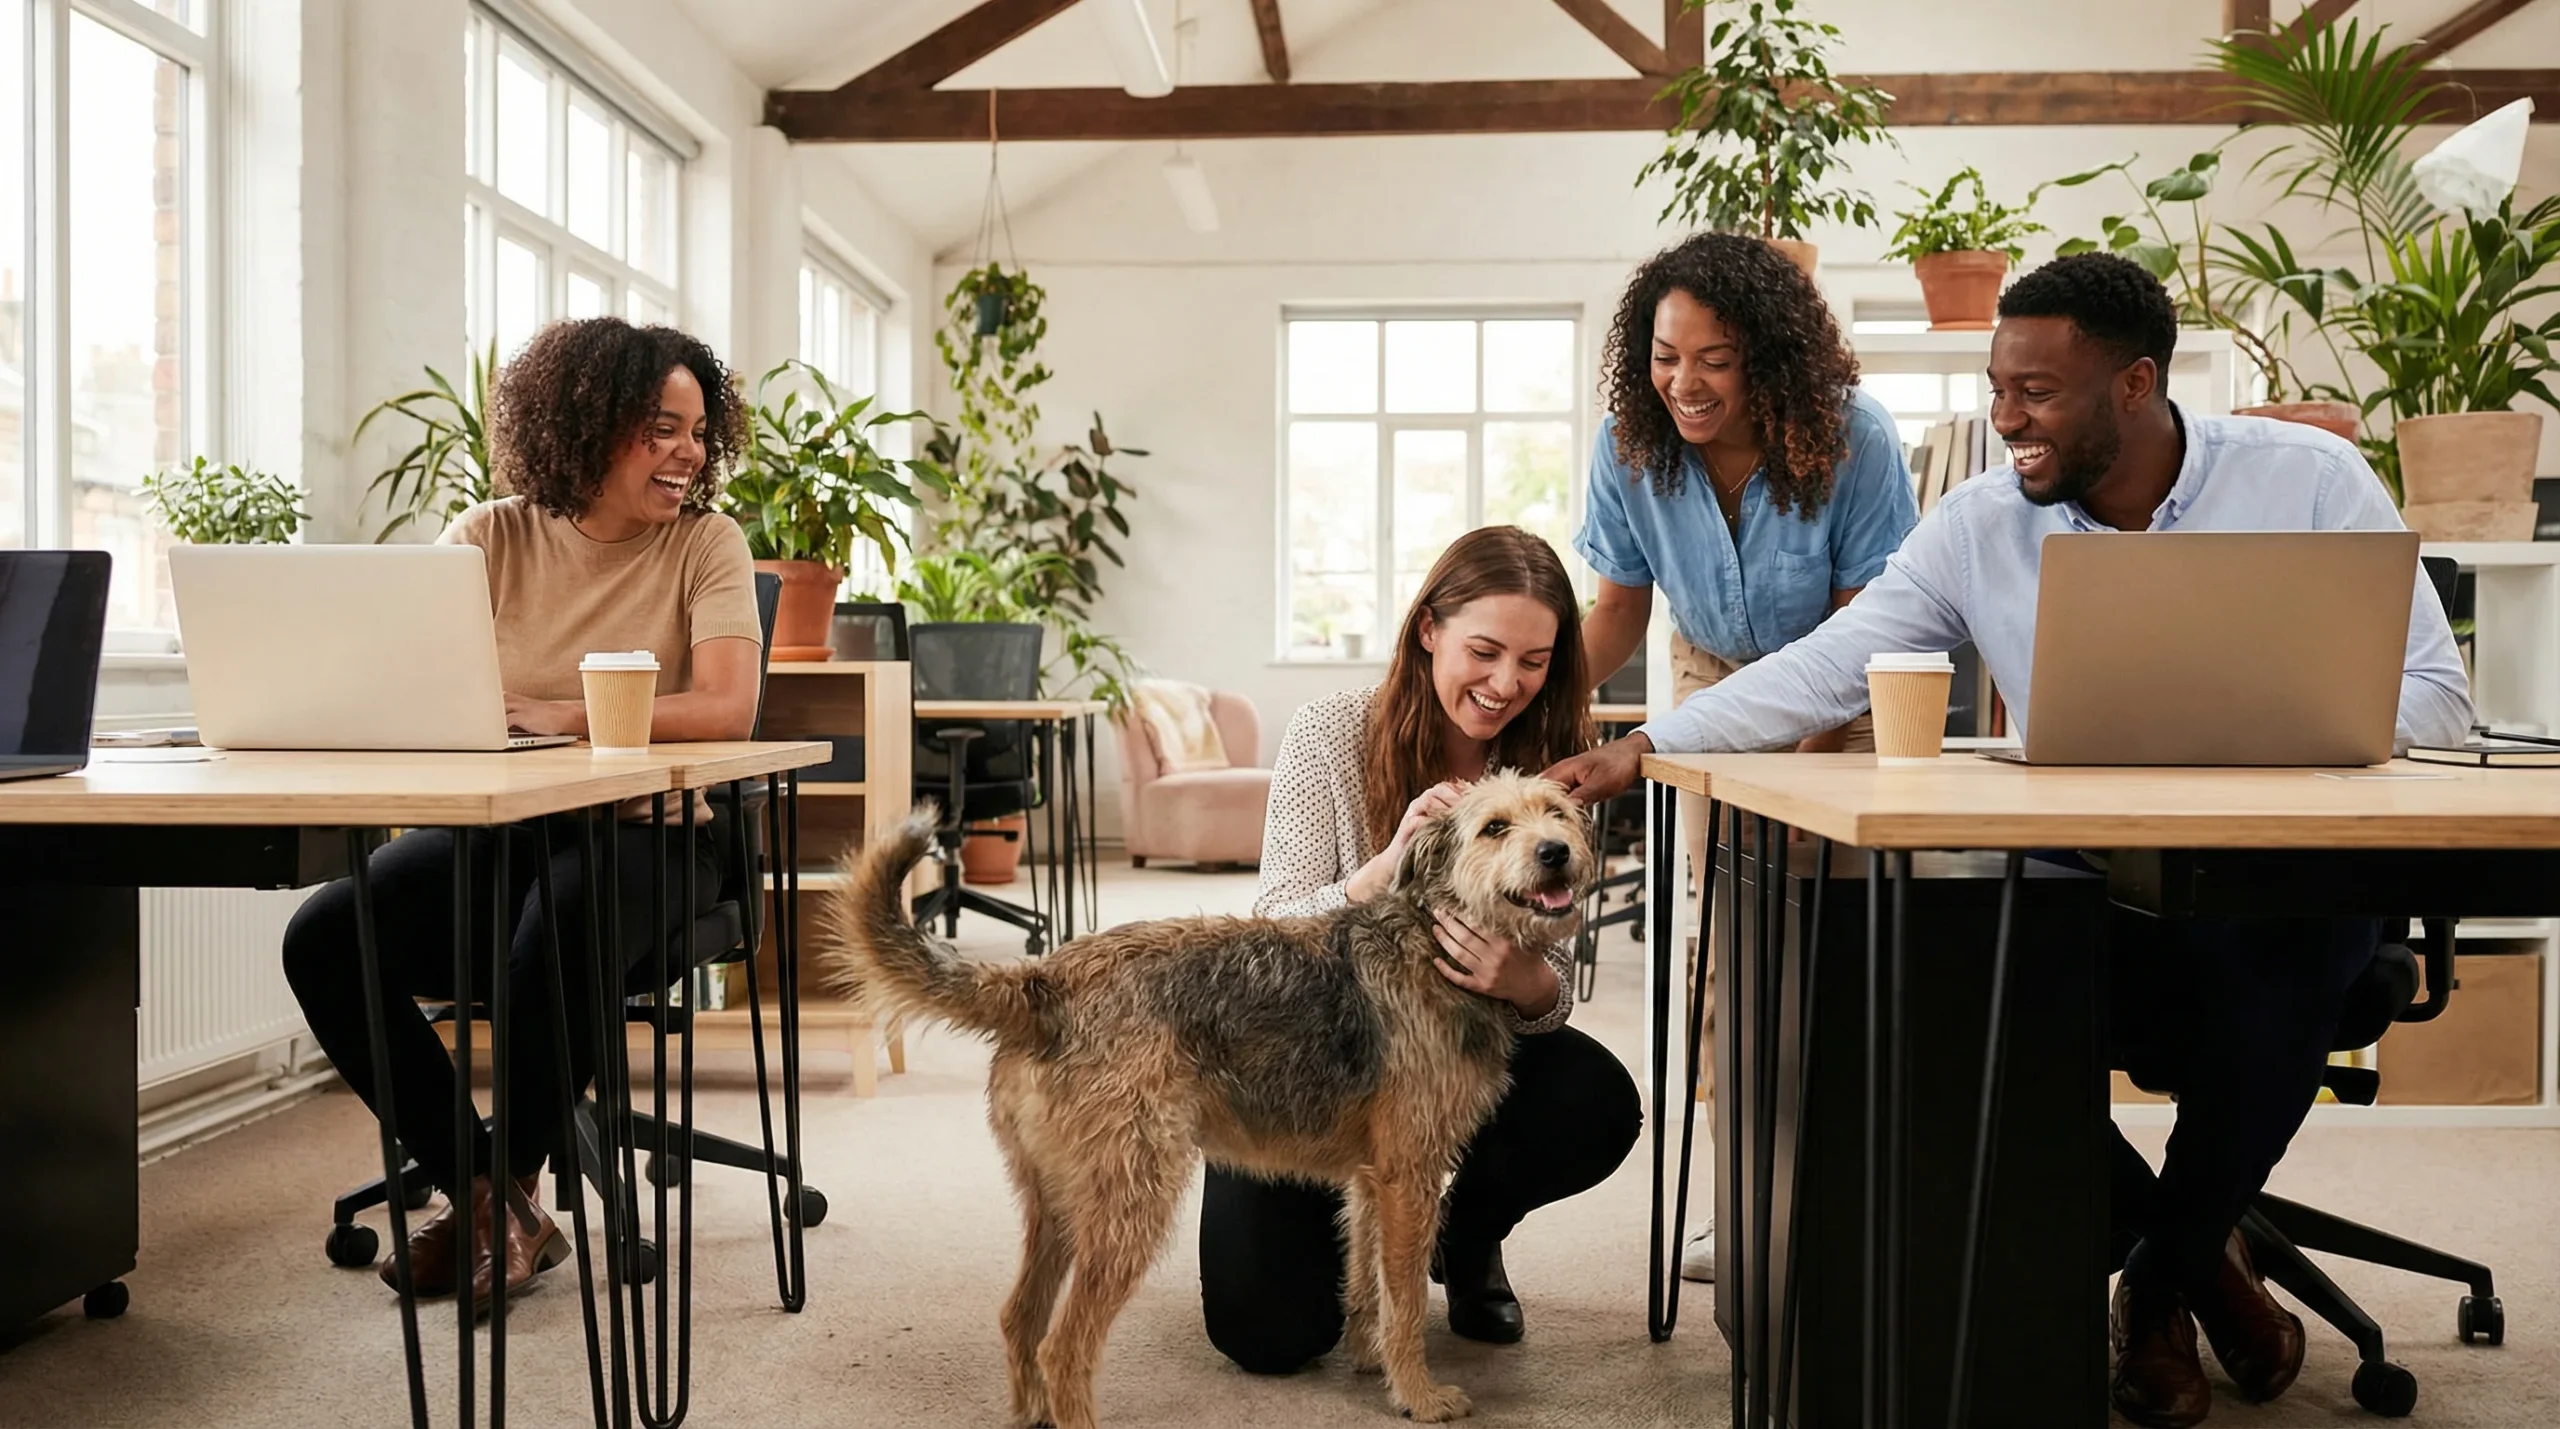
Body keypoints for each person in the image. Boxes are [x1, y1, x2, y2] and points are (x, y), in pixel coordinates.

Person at [1544, 253, 2470, 1429]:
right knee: (1917, 980)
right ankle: (2200, 1258)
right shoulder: (1981, 522)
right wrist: (1646, 743)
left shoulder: (2308, 481)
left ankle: (2159, 1281)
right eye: (1996, 388)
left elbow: (2437, 697)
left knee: (2295, 949)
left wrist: (2258, 728)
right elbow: (1831, 663)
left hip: (2275, 878)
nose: (2006, 419)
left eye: (2037, 392)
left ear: (2134, 384)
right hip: (2092, 879)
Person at [282, 317, 766, 1312]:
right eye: (661, 429)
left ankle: (505, 1195)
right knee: (327, 934)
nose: (688, 453)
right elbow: (412, 685)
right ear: (585, 425)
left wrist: (560, 711)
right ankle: (490, 1202)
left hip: (651, 833)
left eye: (698, 431)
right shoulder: (485, 537)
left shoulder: (705, 543)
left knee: (560, 920)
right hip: (500, 832)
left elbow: (727, 706)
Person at [1202, 525, 1641, 1370]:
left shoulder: (1548, 757)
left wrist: (1527, 982)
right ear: (1429, 629)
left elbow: (1557, 966)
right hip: (1315, 1060)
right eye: (1484, 651)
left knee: (1596, 1101)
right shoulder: (1331, 731)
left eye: (1535, 660)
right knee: (1268, 1331)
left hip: (1465, 1047)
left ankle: (1462, 1233)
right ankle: (1360, 1218)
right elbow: (1270, 929)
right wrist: (1380, 871)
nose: (1506, 683)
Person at [1574, 231, 1918, 1282]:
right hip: (1713, 678)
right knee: (1730, 941)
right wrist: (1531, 700)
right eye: (1665, 355)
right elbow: (1618, 613)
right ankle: (1747, 1200)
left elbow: (1862, 634)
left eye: (1714, 359)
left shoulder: (1853, 436)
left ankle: (1862, 1185)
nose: (1683, 382)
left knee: (1843, 936)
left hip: (1849, 689)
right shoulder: (1630, 445)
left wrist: (1796, 773)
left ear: (1768, 356)